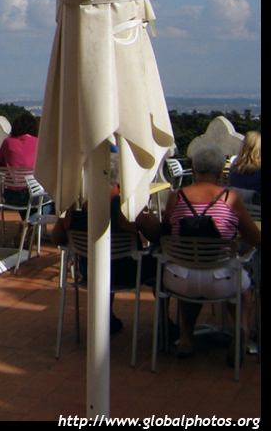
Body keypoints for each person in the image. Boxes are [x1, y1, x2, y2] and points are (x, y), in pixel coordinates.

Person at [161, 144, 261, 358]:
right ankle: (242, 329)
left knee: (192, 267)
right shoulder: (230, 198)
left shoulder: (175, 197)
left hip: (180, 280)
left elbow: (166, 230)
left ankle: (186, 340)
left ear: (194, 170)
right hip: (222, 280)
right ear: (219, 173)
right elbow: (254, 237)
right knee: (244, 287)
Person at [50, 158, 161, 334]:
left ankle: (106, 317)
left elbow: (56, 240)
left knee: (105, 260)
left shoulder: (74, 209)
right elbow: (156, 235)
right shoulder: (129, 208)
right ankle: (164, 323)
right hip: (128, 274)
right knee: (160, 260)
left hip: (90, 272)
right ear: (121, 182)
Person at [0, 112, 41, 208]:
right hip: (33, 194)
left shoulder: (7, 142)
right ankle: (32, 217)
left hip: (10, 195)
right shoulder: (38, 142)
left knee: (26, 206)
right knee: (52, 200)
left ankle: (28, 217)